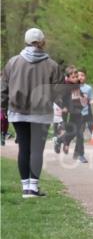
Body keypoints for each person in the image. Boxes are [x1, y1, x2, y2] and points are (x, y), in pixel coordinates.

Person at [0, 28, 62, 197]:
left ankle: (25, 187)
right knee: (36, 150)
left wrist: (3, 108)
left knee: (24, 149)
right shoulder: (52, 65)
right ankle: (33, 188)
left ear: (26, 41)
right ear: (42, 42)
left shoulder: (12, 62)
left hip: (17, 111)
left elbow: (3, 88)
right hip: (41, 113)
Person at [58, 68, 90, 163]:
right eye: (74, 77)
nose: (76, 78)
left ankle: (80, 155)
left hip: (77, 111)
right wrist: (63, 106)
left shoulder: (77, 83)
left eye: (77, 76)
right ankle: (60, 140)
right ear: (67, 78)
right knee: (73, 132)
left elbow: (77, 92)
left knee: (79, 133)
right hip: (68, 112)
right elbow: (58, 97)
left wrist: (83, 97)